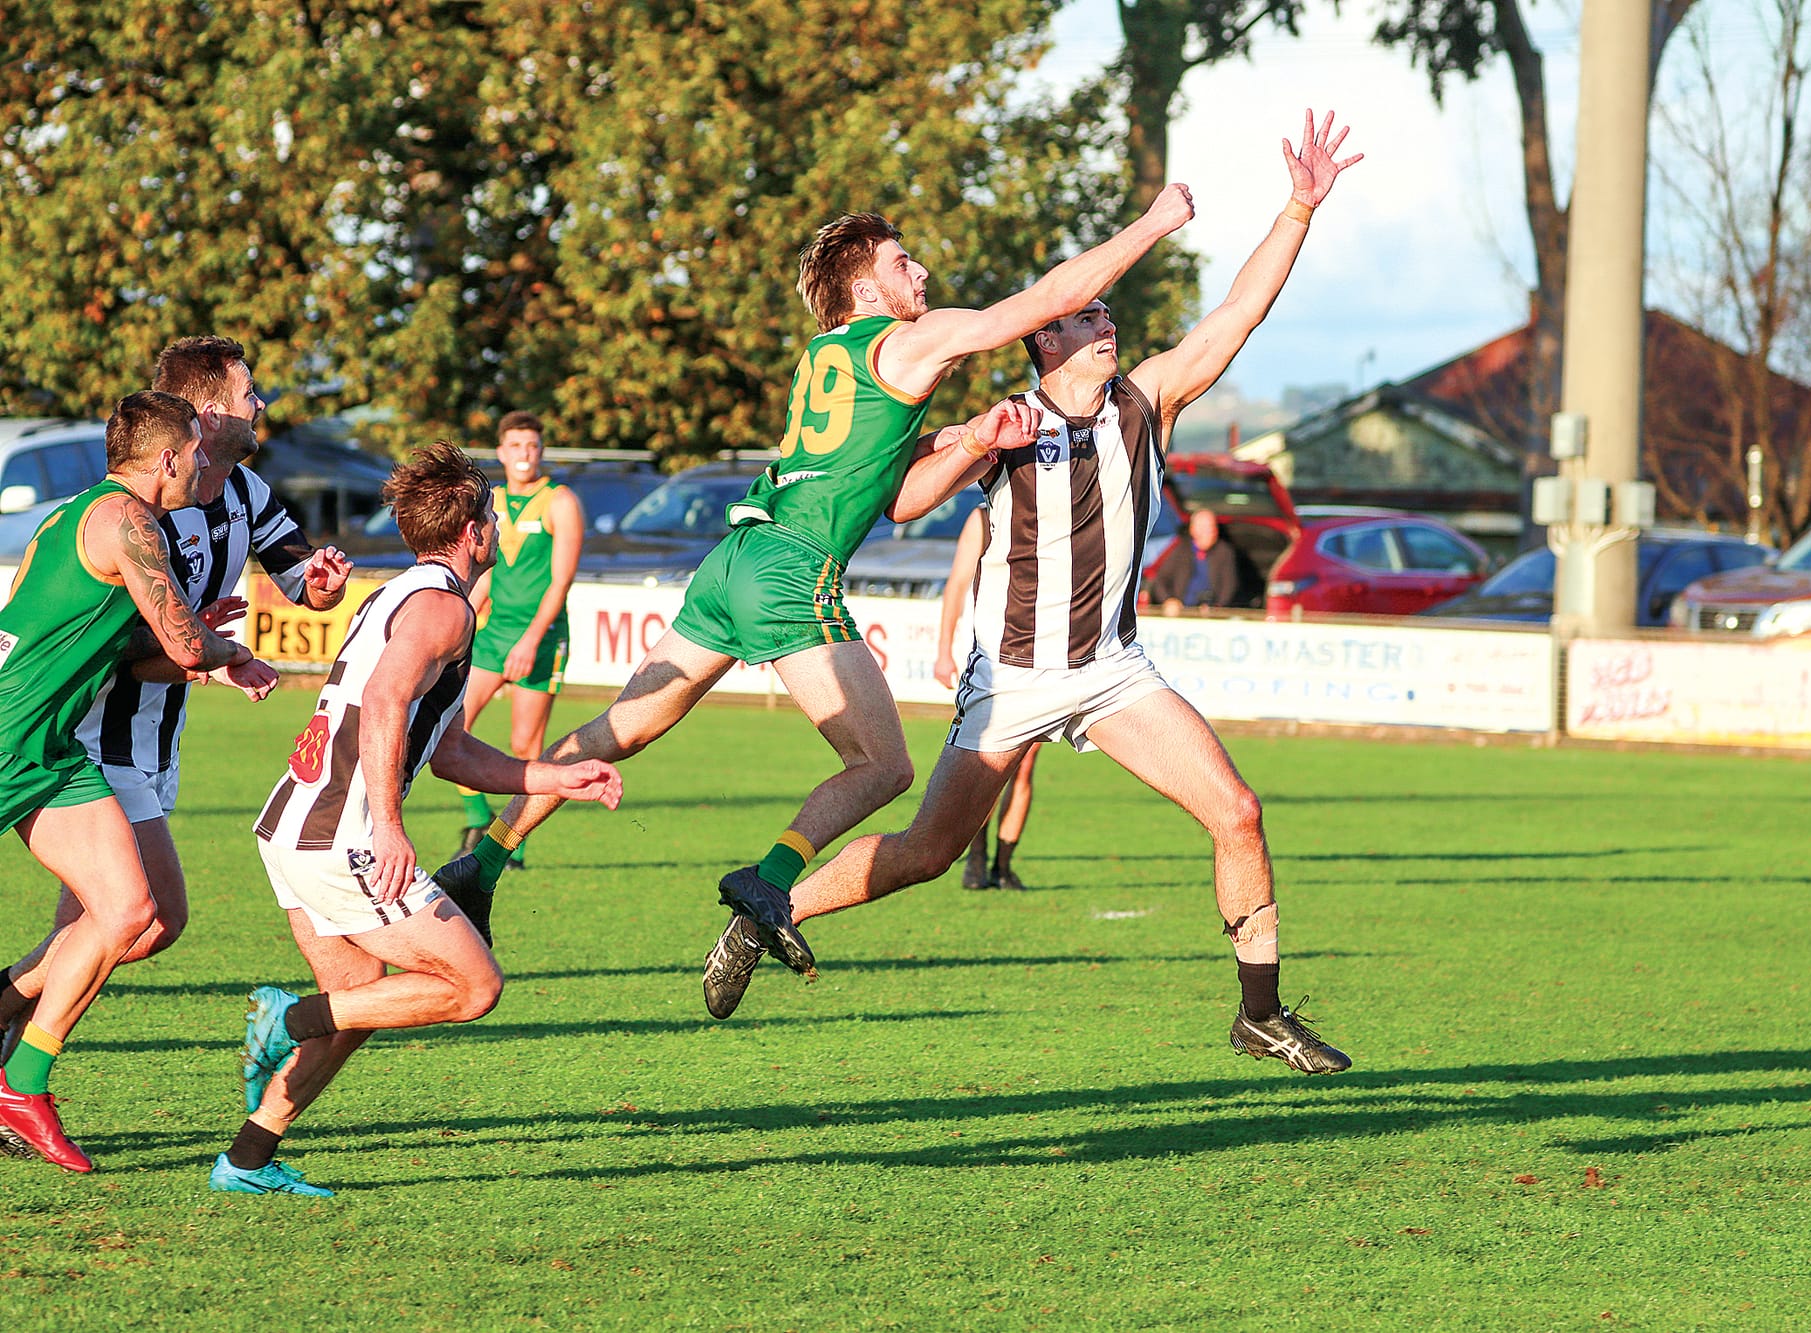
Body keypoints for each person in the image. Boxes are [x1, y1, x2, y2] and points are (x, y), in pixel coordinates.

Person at [701, 109, 1362, 1076]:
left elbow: (1239, 313)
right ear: (1045, 344)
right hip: (1010, 680)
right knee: (928, 853)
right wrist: (973, 440)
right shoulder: (1009, 417)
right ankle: (773, 910)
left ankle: (1259, 1012)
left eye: (1104, 317)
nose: (1108, 325)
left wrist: (1299, 208)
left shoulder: (1149, 401)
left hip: (1113, 670)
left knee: (1239, 810)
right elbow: (903, 501)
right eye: (1088, 318)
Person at [436, 184, 1198, 970]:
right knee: (886, 767)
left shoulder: (824, 355)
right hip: (794, 570)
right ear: (867, 287)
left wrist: (970, 439)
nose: (922, 272)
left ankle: (483, 861)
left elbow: (895, 497)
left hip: (735, 557)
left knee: (619, 729)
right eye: (904, 261)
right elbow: (1041, 303)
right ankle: (768, 882)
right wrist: (1152, 224)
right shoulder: (905, 339)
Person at [213, 442, 621, 1197]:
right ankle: (287, 1018)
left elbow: (452, 750)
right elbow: (387, 702)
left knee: (365, 998)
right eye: (492, 515)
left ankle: (246, 1156)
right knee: (472, 987)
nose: (497, 526)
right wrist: (390, 830)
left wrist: (555, 776)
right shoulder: (442, 606)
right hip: (341, 835)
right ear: (472, 530)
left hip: (293, 826)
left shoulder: (408, 593)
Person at [0, 337, 353, 1058]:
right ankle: (18, 1071)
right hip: (91, 732)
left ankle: (13, 1056)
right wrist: (203, 652)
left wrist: (320, 585)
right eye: (250, 392)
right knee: (141, 916)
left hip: (159, 734)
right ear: (203, 416)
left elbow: (299, 582)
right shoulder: (141, 510)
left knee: (117, 919)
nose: (262, 405)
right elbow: (118, 646)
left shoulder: (245, 492)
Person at [0, 391, 268, 1171]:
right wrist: (220, 648)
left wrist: (200, 643)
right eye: (193, 448)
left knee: (135, 913)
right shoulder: (127, 521)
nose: (200, 461)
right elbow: (185, 648)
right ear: (165, 459)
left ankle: (22, 1081)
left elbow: (144, 656)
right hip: (9, 734)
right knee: (126, 914)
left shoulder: (102, 517)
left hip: (50, 747)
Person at [452, 410, 583, 866]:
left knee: (527, 745)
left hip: (541, 637)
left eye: (532, 446)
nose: (525, 454)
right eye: (516, 446)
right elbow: (487, 573)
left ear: (541, 451)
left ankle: (513, 843)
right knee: (451, 725)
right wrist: (462, 616)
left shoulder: (560, 501)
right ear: (502, 451)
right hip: (494, 635)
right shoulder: (494, 500)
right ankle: (476, 817)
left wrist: (529, 641)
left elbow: (560, 581)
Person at [933, 504, 1040, 890]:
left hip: (1044, 662)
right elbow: (957, 584)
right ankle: (975, 859)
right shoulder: (983, 518)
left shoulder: (1051, 505)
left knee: (1024, 768)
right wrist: (944, 650)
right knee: (991, 766)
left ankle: (1004, 865)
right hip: (993, 663)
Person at [1149, 507, 1250, 613]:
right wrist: (1169, 601)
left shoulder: (1225, 552)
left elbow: (1229, 586)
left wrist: (1217, 607)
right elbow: (1160, 580)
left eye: (1211, 527)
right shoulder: (1181, 550)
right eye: (1204, 528)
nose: (1210, 532)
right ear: (1193, 530)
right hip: (1181, 610)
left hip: (1212, 612)